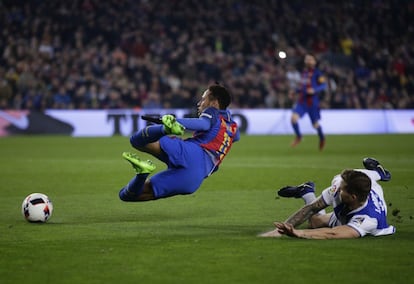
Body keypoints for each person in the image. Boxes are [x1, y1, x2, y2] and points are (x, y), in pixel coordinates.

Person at [118, 83, 240, 201]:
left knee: (136, 141)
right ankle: (142, 173)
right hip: (195, 177)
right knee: (130, 195)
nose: (199, 103)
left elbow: (203, 124)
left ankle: (164, 130)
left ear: (214, 103)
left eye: (203, 100)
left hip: (192, 153)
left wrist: (174, 123)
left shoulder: (212, 111)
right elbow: (236, 137)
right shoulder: (233, 127)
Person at [259, 157, 395, 239]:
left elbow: (333, 234)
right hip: (358, 191)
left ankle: (306, 191)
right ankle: (379, 172)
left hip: (353, 216)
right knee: (370, 175)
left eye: (342, 189)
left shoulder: (367, 220)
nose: (337, 190)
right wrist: (280, 231)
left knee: (314, 223)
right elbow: (311, 208)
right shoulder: (342, 187)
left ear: (352, 197)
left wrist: (298, 233)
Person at [290, 53, 327, 150]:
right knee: (293, 118)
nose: (308, 61)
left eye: (310, 59)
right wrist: (295, 91)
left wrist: (315, 90)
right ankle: (299, 137)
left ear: (314, 62)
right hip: (302, 101)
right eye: (307, 59)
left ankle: (322, 138)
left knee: (315, 125)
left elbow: (323, 85)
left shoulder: (317, 73)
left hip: (312, 102)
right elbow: (303, 87)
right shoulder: (304, 73)